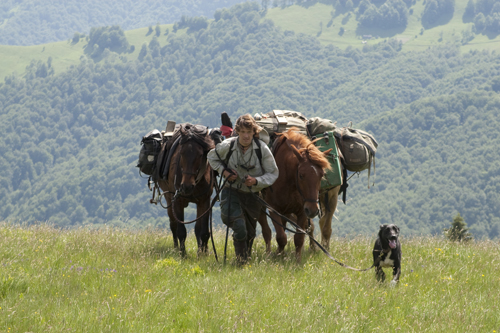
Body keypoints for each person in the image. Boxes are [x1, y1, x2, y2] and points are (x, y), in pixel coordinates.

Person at [207, 114, 279, 264]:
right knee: (239, 226)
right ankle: (240, 262)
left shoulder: (262, 149)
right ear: (237, 132)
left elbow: (273, 173)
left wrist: (256, 181)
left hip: (252, 195)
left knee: (250, 233)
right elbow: (211, 157)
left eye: (249, 132)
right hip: (231, 191)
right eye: (243, 132)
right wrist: (224, 172)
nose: (246, 136)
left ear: (254, 132)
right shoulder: (228, 146)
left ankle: (244, 260)